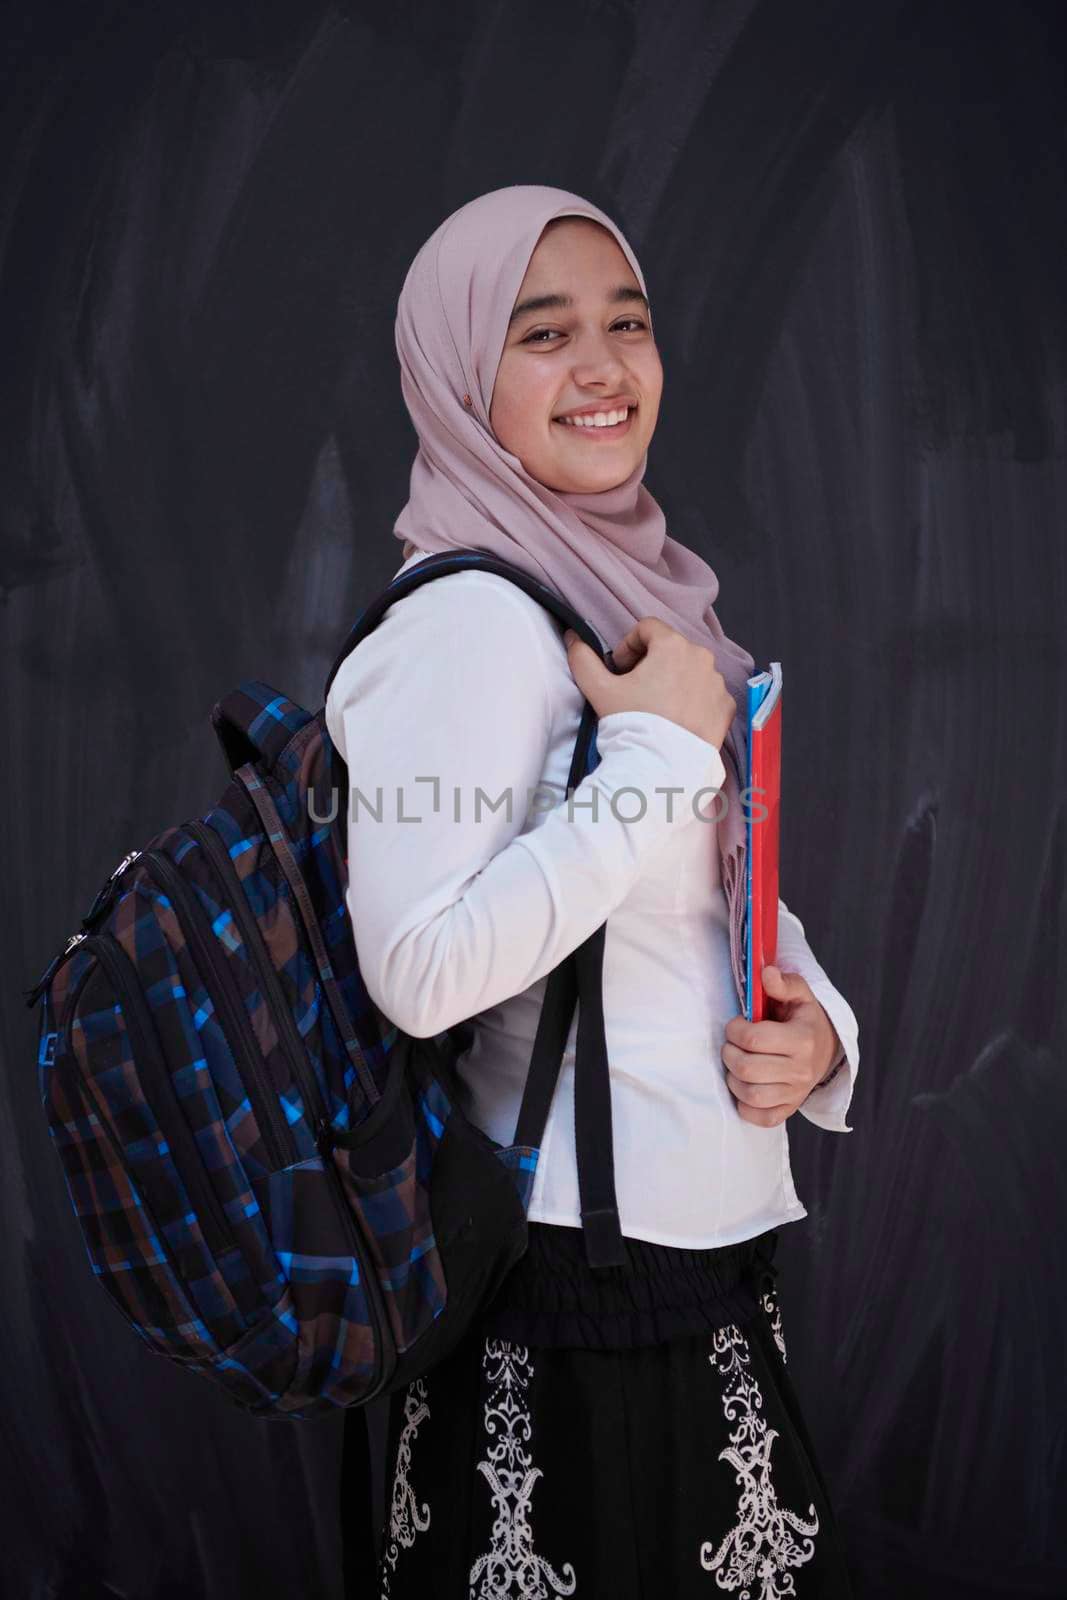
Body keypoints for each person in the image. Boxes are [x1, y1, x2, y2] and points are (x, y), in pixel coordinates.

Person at [326, 185, 859, 1598]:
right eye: (544, 334)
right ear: (459, 376)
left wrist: (821, 1042)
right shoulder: (468, 621)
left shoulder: (634, 591)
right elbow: (420, 965)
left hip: (693, 1253)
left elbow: (700, 895)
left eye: (627, 323)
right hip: (562, 1290)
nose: (604, 368)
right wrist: (657, 758)